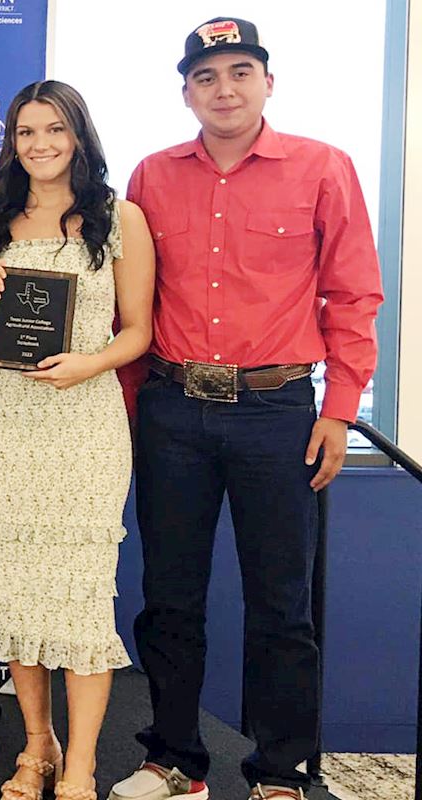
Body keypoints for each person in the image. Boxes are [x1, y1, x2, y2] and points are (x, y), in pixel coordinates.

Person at [108, 18, 383, 800]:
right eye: (205, 76)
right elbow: (136, 301)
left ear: (268, 81)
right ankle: (174, 760)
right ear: (185, 90)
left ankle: (278, 770)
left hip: (278, 413)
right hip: (172, 410)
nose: (223, 89)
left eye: (239, 71)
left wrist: (341, 407)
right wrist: (130, 412)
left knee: (280, 603)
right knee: (169, 597)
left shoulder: (323, 167)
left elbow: (354, 293)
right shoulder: (151, 176)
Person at [0, 80, 155, 800]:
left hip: (85, 420)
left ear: (79, 136)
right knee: (17, 593)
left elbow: (139, 330)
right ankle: (37, 747)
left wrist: (88, 364)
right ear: (11, 141)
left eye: (53, 130)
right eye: (25, 131)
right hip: (4, 419)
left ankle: (81, 764)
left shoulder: (118, 215)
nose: (38, 144)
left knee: (81, 595)